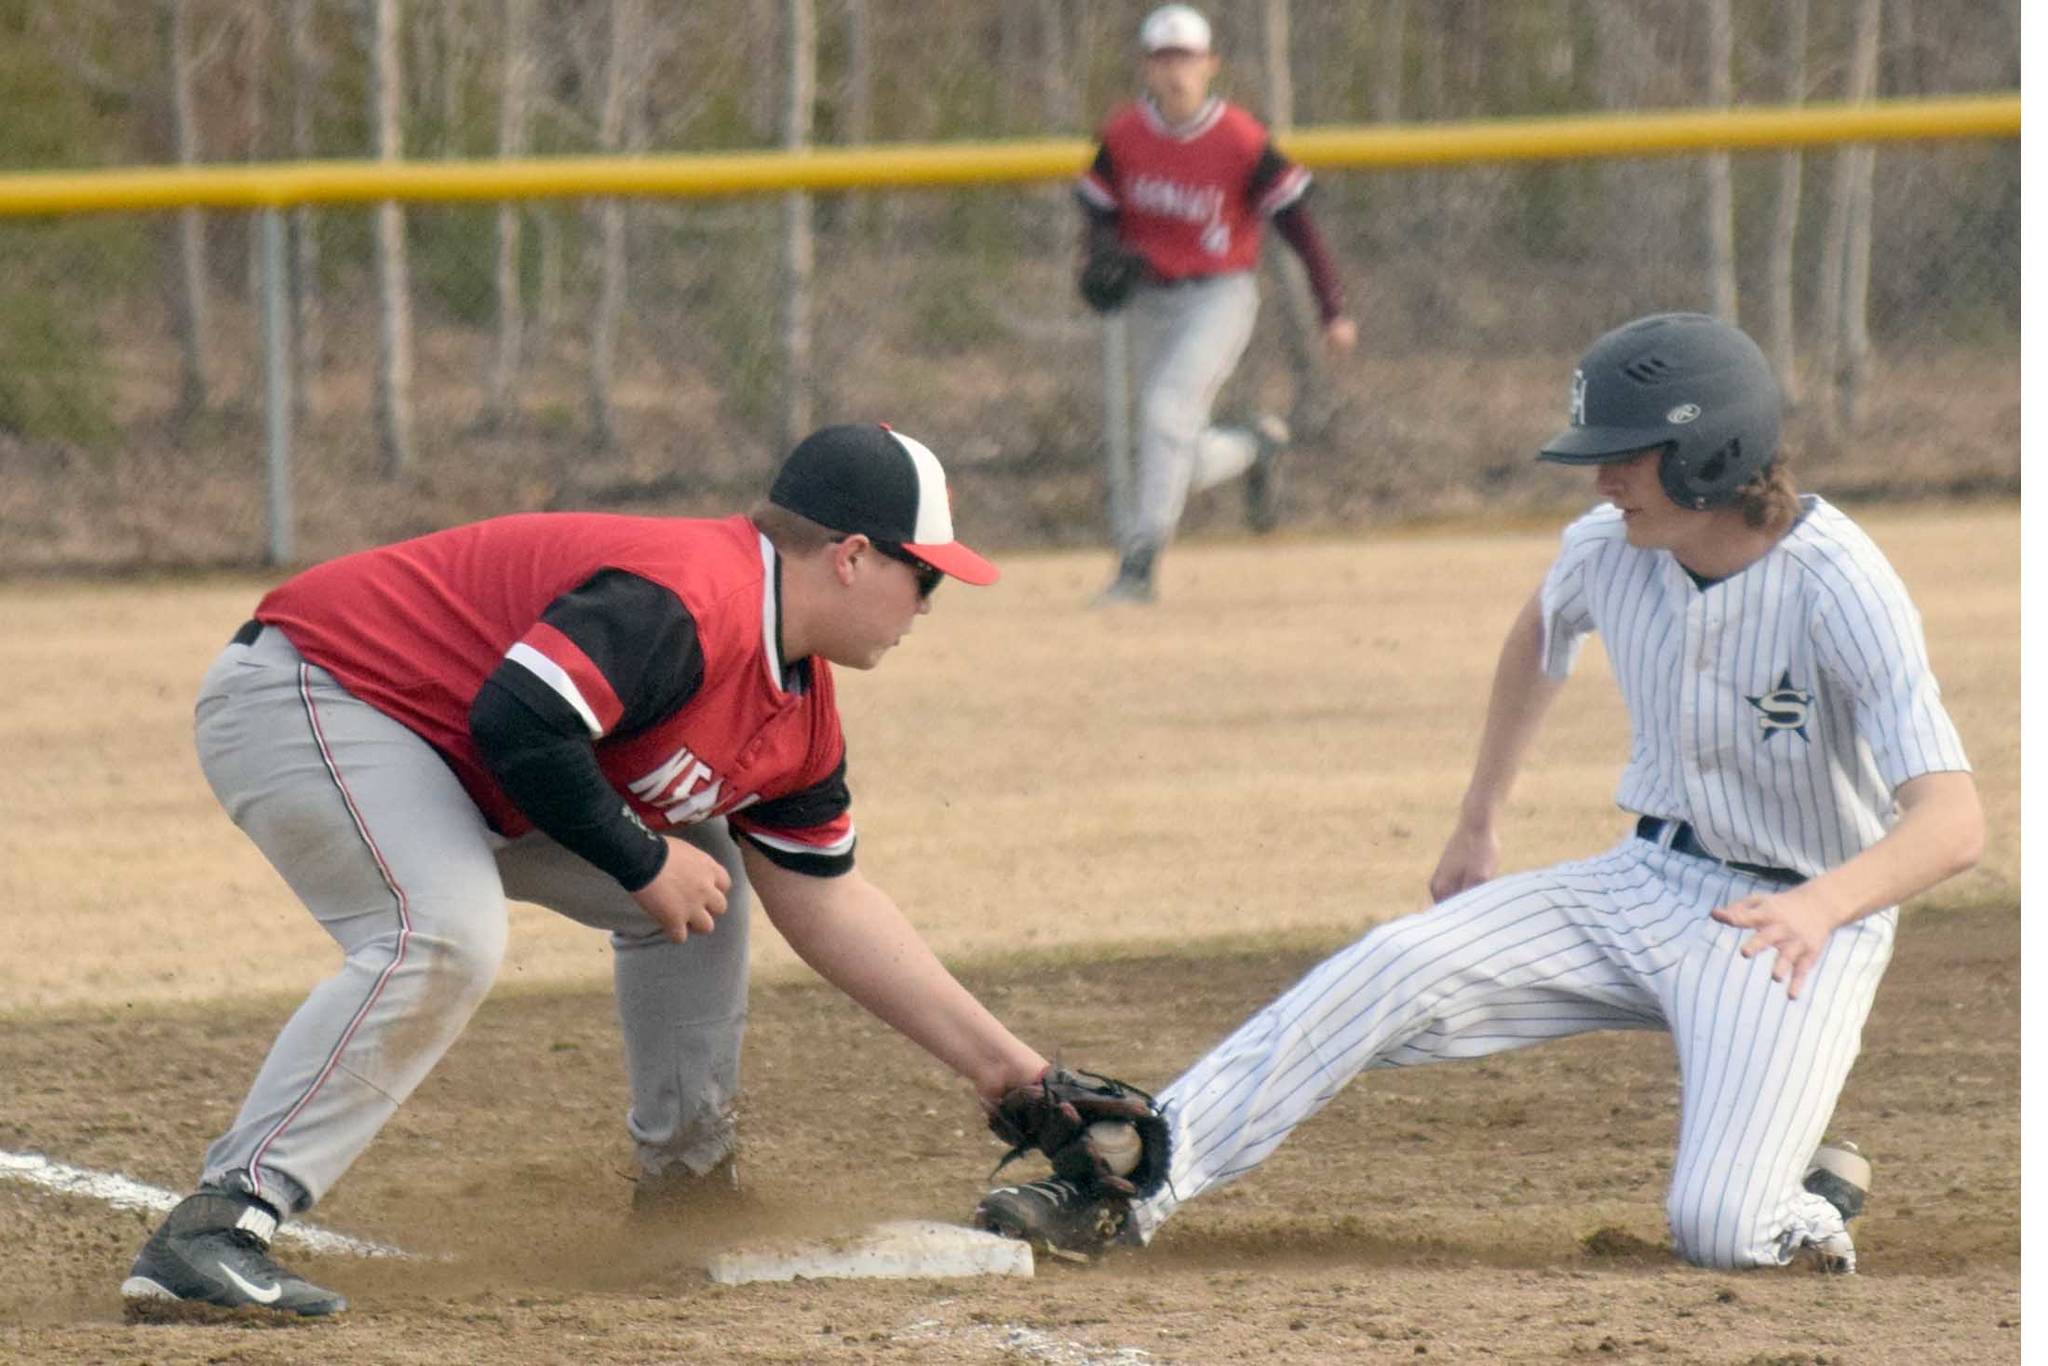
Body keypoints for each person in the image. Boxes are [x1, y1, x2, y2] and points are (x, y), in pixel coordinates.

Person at [975, 313, 1984, 1272]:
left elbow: (1951, 822)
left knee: (1720, 1224)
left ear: (1708, 455)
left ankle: (1802, 1198)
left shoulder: (1837, 581)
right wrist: (1479, 815)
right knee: (1387, 966)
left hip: (1794, 924)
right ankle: (1124, 1186)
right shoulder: (1606, 547)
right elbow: (1536, 638)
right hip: (1644, 882)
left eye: (1625, 454)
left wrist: (1819, 905)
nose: (1602, 476)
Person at [121, 423, 1063, 1317]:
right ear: (852, 556)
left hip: (451, 757)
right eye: (922, 574)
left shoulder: (798, 705)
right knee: (446, 933)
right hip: (323, 691)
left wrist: (1012, 1074)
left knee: (704, 885)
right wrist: (641, 857)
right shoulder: (695, 597)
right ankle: (221, 1223)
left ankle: (687, 1189)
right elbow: (519, 721)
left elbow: (827, 902)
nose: (929, 605)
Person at [1079, 3, 1357, 606]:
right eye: (1163, 57)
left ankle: (1140, 564)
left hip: (1219, 296)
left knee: (1163, 415)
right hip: (1150, 300)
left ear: (1210, 64)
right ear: (1147, 67)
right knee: (1171, 441)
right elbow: (1097, 209)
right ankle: (1255, 448)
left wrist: (1331, 308)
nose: (1175, 70)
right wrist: (1096, 253)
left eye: (1186, 57)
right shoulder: (1124, 134)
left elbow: (1298, 225)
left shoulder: (1238, 138)